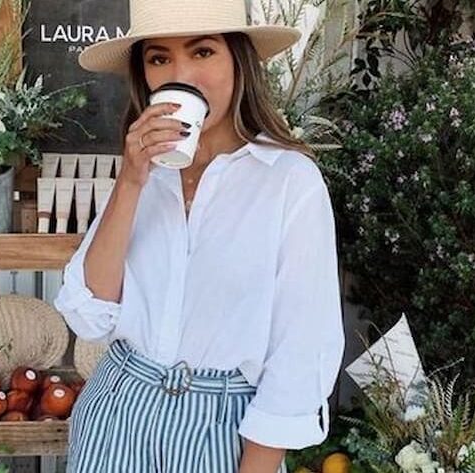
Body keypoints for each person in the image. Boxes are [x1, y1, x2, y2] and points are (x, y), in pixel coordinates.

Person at [54, 1, 345, 472]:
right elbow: (89, 313)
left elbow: (301, 352)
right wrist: (131, 180)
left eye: (203, 52)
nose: (181, 75)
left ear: (239, 61)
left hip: (223, 427)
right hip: (117, 411)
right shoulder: (142, 175)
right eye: (159, 58)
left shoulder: (289, 180)